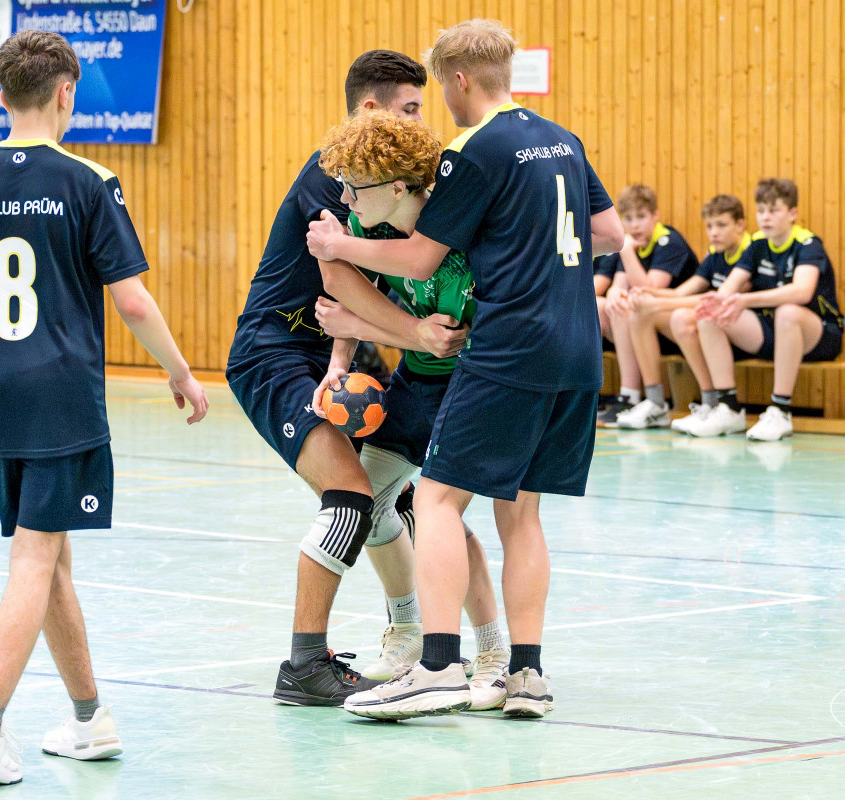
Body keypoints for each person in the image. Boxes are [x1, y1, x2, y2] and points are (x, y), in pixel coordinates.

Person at [307, 19, 623, 720]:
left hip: (509, 348)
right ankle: (527, 675)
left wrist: (338, 244)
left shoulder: (471, 150)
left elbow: (421, 258)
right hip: (578, 349)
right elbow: (608, 234)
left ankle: (439, 667)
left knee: (436, 502)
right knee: (522, 514)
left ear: (456, 80)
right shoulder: (563, 140)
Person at [0, 30, 208, 785]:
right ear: (66, 92)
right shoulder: (89, 180)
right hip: (61, 394)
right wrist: (180, 372)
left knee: (47, 555)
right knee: (35, 555)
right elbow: (132, 300)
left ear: (2, 95)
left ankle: (89, 718)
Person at [226, 50, 463, 707]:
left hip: (333, 350)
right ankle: (304, 664)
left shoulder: (399, 182)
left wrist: (347, 359)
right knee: (350, 497)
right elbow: (341, 280)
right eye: (410, 109)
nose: (421, 123)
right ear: (371, 109)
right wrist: (415, 334)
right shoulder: (333, 175)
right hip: (274, 351)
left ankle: (410, 634)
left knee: (389, 497)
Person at [308, 110, 510, 711]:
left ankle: (493, 653)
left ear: (398, 187)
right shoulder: (365, 223)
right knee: (366, 503)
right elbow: (354, 289)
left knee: (441, 516)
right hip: (413, 384)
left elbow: (444, 339)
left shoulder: (453, 248)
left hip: (467, 388)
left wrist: (361, 325)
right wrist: (339, 361)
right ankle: (406, 631)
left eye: (355, 187)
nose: (346, 199)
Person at [694, 178, 843, 441]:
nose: (765, 217)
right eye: (761, 210)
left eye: (774, 210)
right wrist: (718, 301)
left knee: (787, 312)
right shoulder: (758, 244)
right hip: (773, 331)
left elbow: (802, 292)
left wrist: (745, 300)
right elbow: (730, 287)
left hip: (819, 334)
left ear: (792, 213)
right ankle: (728, 407)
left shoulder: (808, 244)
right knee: (710, 316)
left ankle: (780, 410)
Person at [614, 194, 752, 431]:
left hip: (748, 328)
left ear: (740, 225)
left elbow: (716, 300)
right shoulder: (716, 253)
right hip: (718, 325)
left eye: (721, 225)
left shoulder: (750, 252)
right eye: (709, 226)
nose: (714, 233)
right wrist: (647, 294)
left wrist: (656, 304)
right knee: (640, 312)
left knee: (681, 317)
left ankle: (715, 403)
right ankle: (657, 403)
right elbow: (681, 293)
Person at [595, 185, 698, 426]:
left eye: (641, 217)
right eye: (628, 218)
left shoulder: (668, 241)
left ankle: (639, 397)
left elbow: (649, 289)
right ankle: (626, 396)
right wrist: (615, 295)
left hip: (676, 325)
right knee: (610, 306)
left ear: (655, 215)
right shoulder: (633, 246)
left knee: (631, 307)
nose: (635, 225)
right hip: (645, 324)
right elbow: (618, 286)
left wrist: (626, 252)